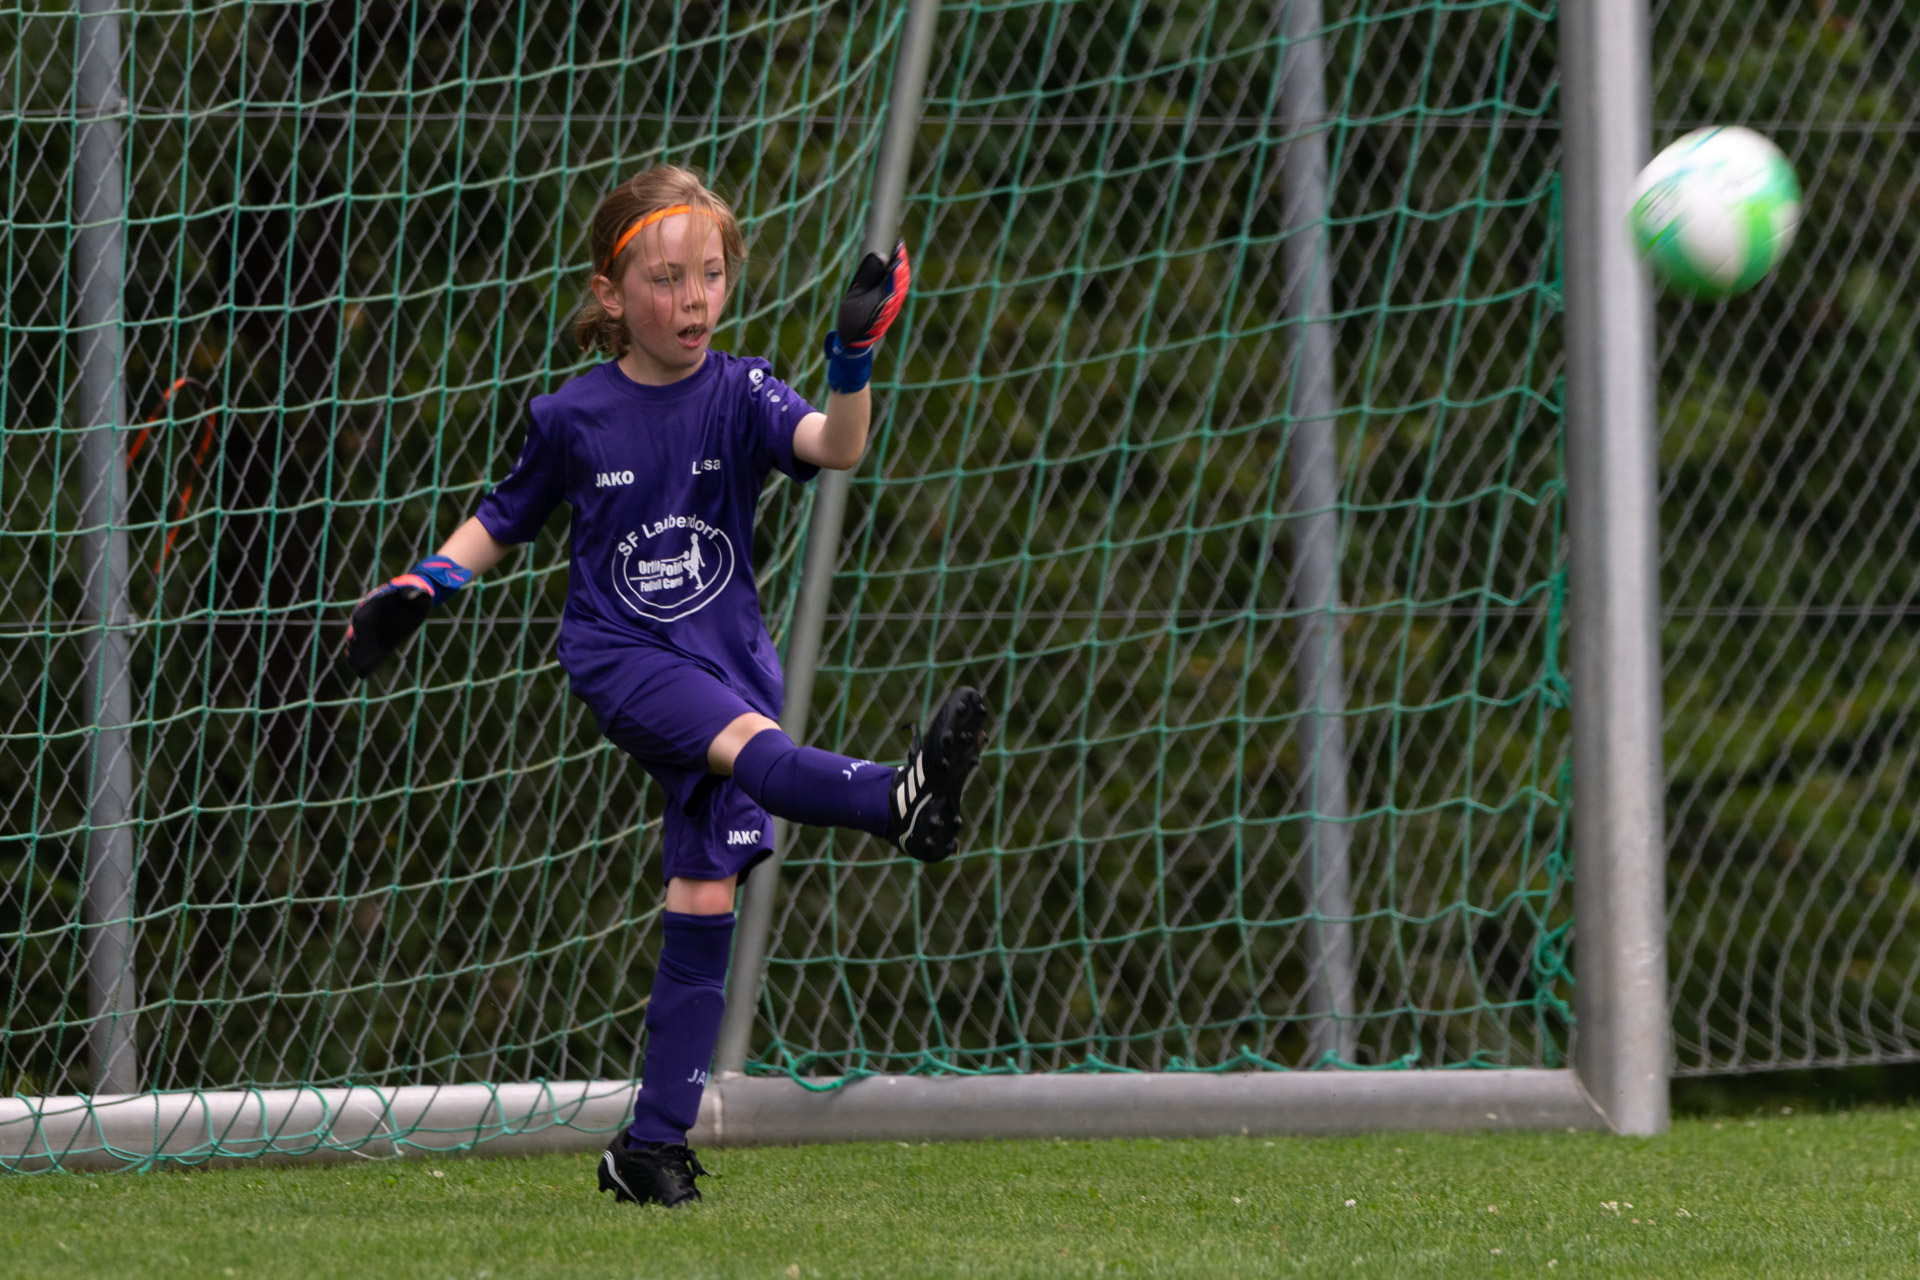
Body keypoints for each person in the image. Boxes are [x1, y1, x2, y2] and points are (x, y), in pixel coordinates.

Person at [342, 165, 985, 1207]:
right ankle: (890, 799)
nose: (694, 299)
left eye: (712, 275)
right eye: (667, 278)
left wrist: (853, 357)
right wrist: (422, 585)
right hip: (622, 654)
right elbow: (501, 518)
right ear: (610, 293)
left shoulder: (741, 389)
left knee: (703, 893)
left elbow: (837, 444)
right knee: (751, 752)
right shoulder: (573, 415)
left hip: (728, 656)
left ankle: (649, 1147)